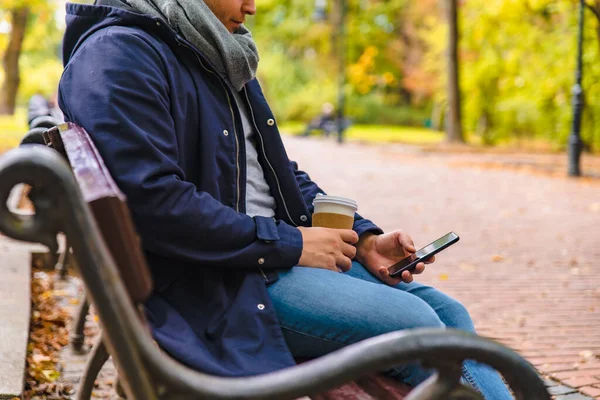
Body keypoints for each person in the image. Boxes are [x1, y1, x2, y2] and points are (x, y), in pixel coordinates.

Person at [58, 0, 512, 398]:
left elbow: (279, 174)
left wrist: (365, 238)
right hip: (216, 286)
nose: (252, 8)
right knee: (420, 329)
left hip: (255, 258)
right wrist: (291, 243)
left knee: (450, 313)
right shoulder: (118, 55)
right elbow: (153, 203)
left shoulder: (209, 48)